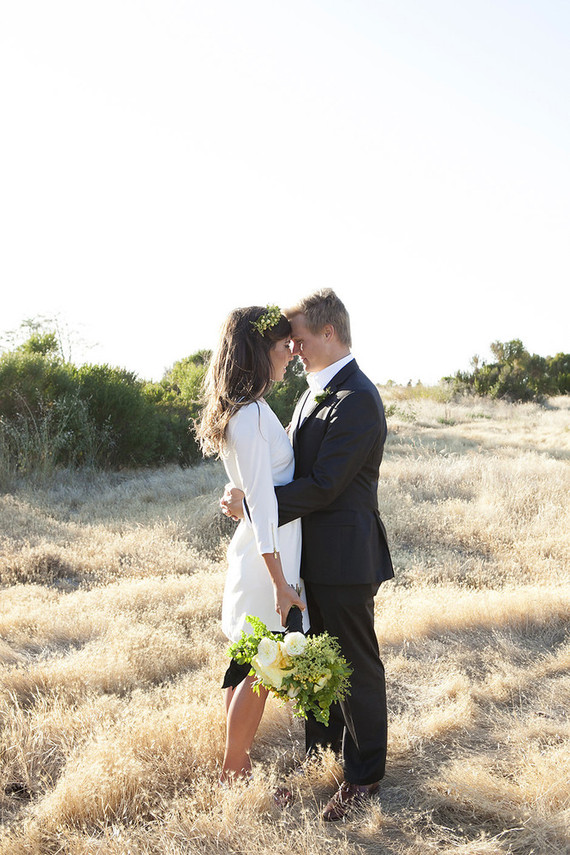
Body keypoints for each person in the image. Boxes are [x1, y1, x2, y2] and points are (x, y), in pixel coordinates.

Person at [221, 288, 394, 821]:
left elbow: (323, 485)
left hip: (344, 557)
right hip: (305, 557)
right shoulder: (308, 394)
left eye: (298, 338)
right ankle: (321, 758)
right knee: (316, 663)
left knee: (355, 665)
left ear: (328, 332)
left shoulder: (357, 398)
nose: (292, 348)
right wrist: (244, 493)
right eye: (289, 342)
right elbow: (275, 468)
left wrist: (256, 506)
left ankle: (363, 777)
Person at [195, 305, 307, 785]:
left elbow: (248, 489)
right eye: (284, 346)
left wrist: (236, 495)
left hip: (256, 548)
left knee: (246, 659)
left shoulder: (239, 411)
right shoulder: (255, 414)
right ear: (261, 351)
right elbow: (262, 503)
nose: (291, 354)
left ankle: (233, 764)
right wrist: (281, 582)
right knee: (264, 662)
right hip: (269, 556)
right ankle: (234, 770)